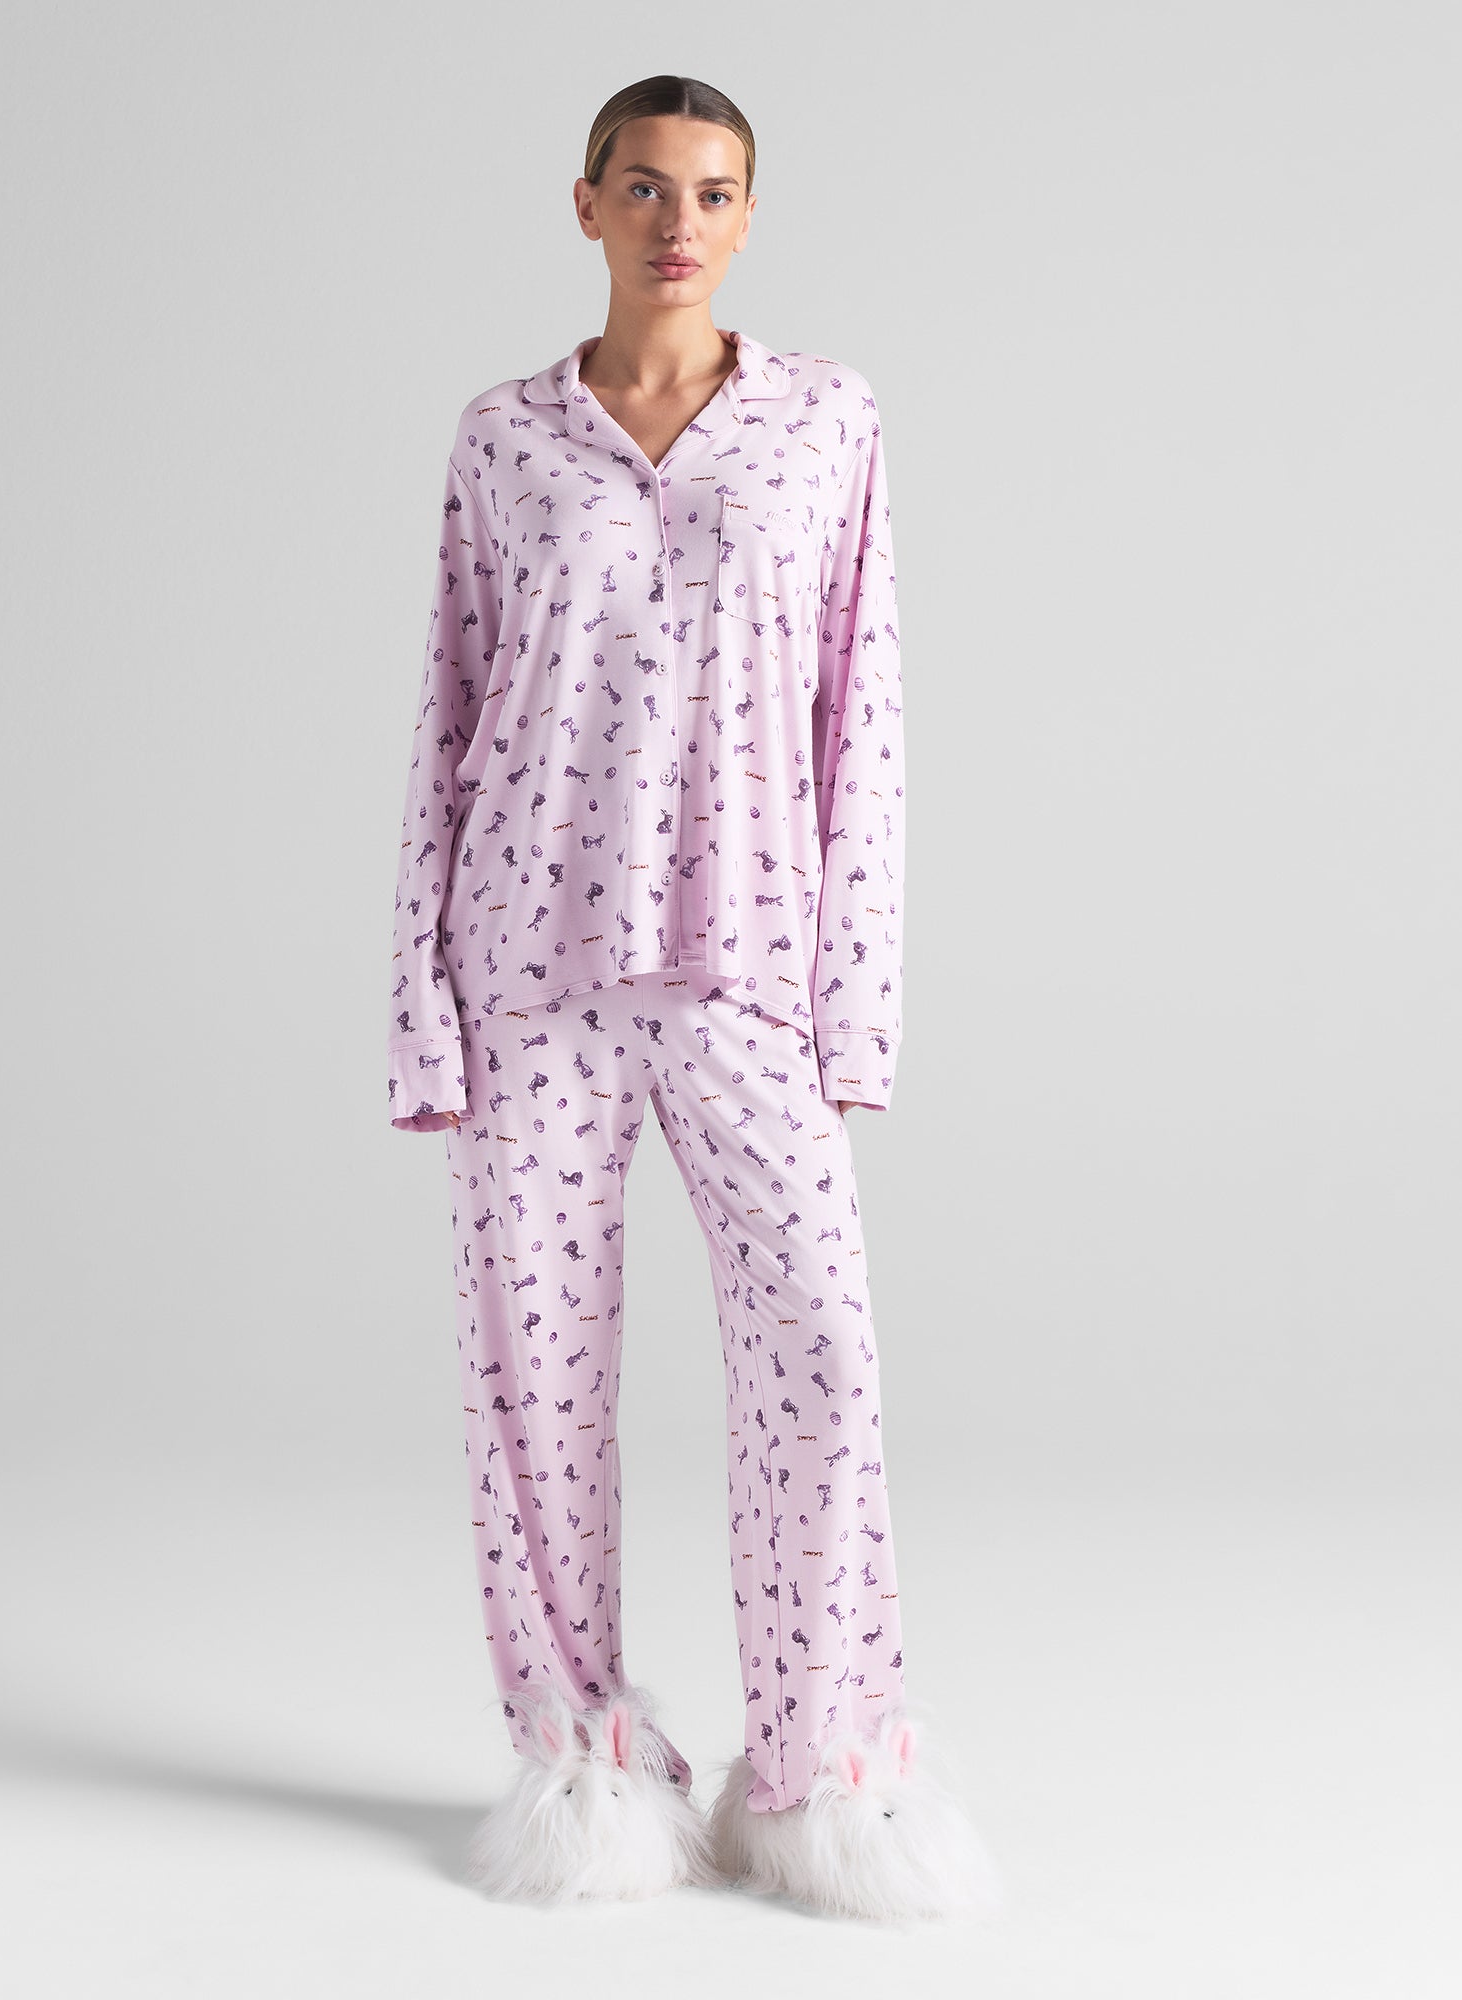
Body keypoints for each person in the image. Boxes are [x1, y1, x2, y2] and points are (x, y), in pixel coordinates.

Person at [384, 74, 999, 1923]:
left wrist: (854, 1003)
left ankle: (823, 1770)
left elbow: (862, 714)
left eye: (714, 193)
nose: (679, 223)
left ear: (748, 217)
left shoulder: (826, 424)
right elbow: (448, 717)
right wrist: (422, 1004)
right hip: (529, 969)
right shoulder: (504, 439)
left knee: (819, 1354)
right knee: (531, 1390)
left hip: (747, 969)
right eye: (645, 189)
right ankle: (579, 1760)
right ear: (585, 206)